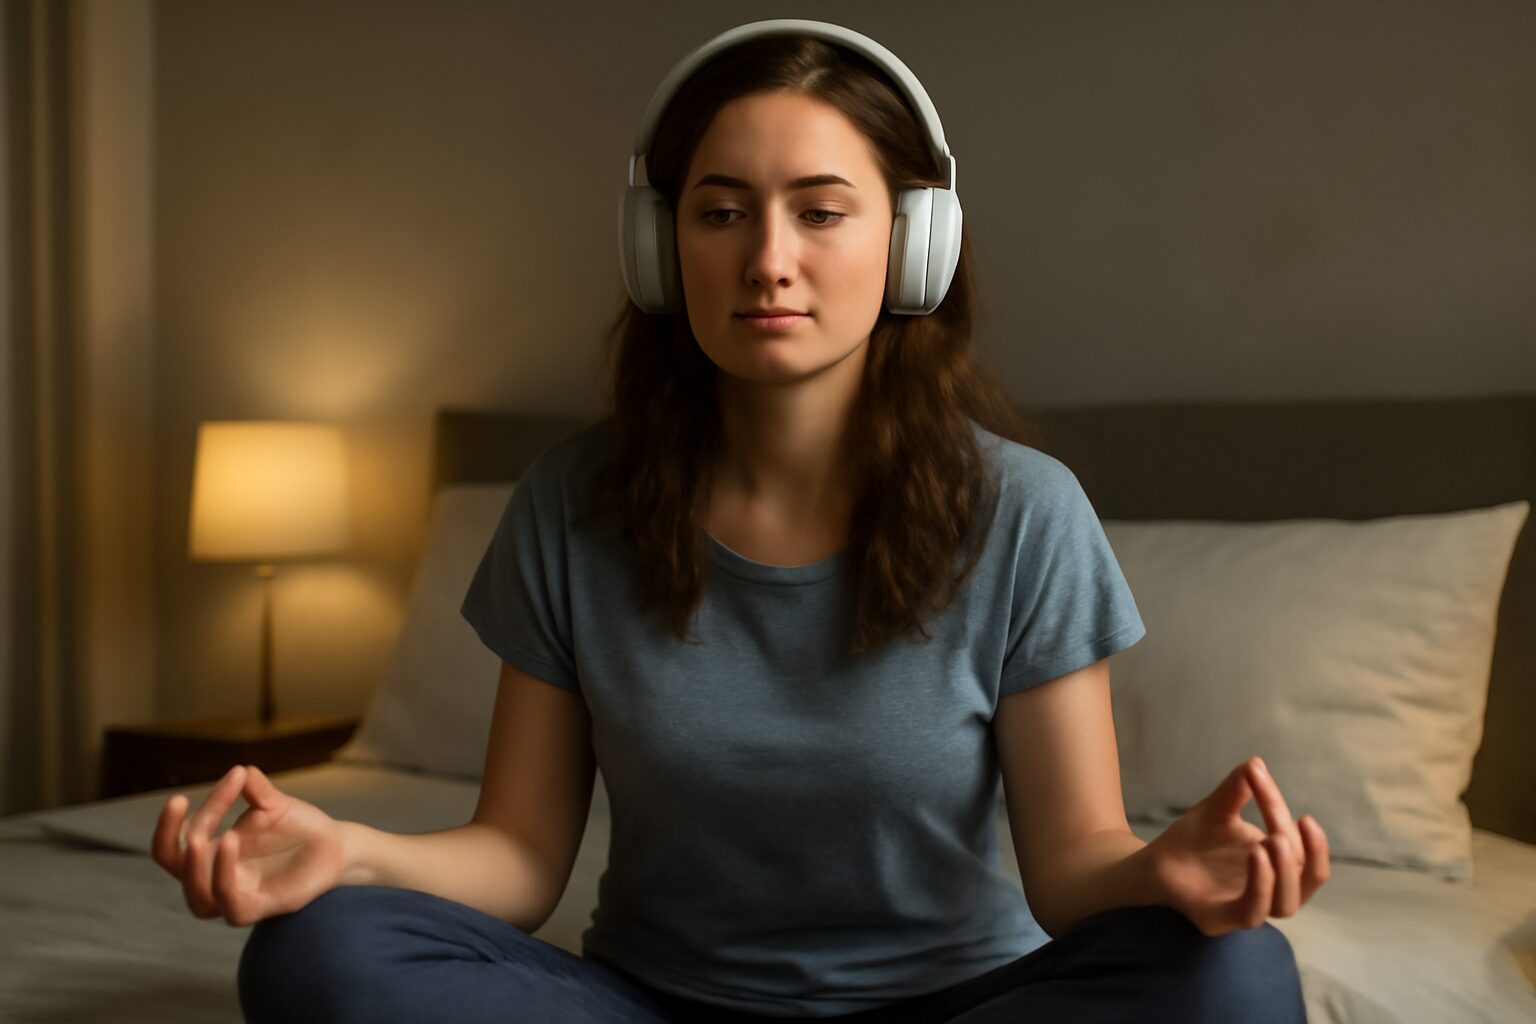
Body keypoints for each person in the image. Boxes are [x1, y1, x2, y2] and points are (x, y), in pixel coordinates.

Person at [152, 19, 1329, 1024]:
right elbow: (516, 858)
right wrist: (347, 850)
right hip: (658, 1002)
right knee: (318, 954)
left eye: (822, 213)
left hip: (956, 1003)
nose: (769, 260)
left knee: (1237, 975)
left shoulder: (1024, 511)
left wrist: (1165, 871)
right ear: (662, 248)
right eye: (722, 212)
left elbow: (1073, 872)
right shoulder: (572, 503)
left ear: (916, 246)